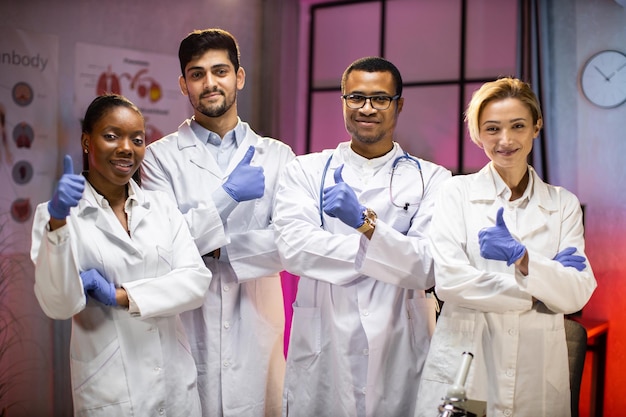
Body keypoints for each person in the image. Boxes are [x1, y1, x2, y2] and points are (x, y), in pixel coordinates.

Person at [272, 56, 451, 417]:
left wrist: (366, 226)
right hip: (325, 344)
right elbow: (293, 250)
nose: (366, 108)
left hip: (399, 342)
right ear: (343, 102)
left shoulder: (433, 179)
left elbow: (428, 267)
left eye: (380, 98)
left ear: (399, 105)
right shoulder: (305, 170)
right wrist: (387, 250)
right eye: (355, 97)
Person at [415, 77, 597, 417]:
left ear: (536, 127)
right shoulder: (456, 193)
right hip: (467, 365)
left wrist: (523, 257)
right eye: (492, 128)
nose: (505, 140)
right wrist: (539, 286)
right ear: (478, 134)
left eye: (518, 126)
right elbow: (451, 282)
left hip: (537, 370)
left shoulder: (562, 204)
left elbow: (576, 296)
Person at [141, 28, 295, 417]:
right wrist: (227, 195)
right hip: (188, 329)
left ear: (239, 77)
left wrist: (218, 249)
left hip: (258, 328)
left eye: (220, 71)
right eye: (197, 74)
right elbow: (163, 246)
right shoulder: (159, 159)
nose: (210, 83)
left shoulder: (278, 156)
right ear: (183, 84)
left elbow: (291, 242)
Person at [30, 94, 213, 416]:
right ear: (87, 141)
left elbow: (196, 283)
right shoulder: (54, 217)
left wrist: (121, 296)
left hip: (175, 385)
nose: (127, 148)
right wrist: (59, 222)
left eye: (137, 139)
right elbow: (59, 305)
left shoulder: (161, 207)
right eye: (112, 136)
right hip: (111, 389)